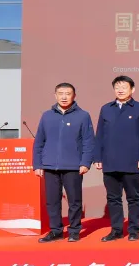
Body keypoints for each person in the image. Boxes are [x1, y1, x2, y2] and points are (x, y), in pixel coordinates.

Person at [93, 75, 139, 242]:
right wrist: (97, 157)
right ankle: (116, 230)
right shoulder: (106, 108)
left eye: (124, 87)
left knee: (133, 197)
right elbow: (100, 134)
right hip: (109, 161)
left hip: (132, 161)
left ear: (132, 89)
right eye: (117, 87)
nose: (120, 90)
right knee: (113, 198)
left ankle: (134, 230)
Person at [33, 82, 94, 243]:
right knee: (52, 201)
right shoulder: (47, 116)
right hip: (49, 166)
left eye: (68, 93)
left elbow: (88, 141)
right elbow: (39, 141)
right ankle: (56, 231)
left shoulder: (83, 116)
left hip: (73, 166)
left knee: (74, 200)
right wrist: (37, 164)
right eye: (61, 93)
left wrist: (85, 162)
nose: (64, 97)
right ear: (55, 95)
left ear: (74, 96)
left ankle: (74, 230)